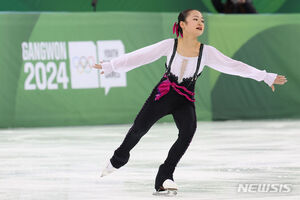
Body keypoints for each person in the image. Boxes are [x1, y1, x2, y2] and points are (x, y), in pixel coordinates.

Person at [93, 9, 287, 193]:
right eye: (195, 19)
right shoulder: (170, 45)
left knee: (188, 132)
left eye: (202, 20)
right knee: (139, 129)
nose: (200, 22)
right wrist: (111, 65)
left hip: (185, 98)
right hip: (163, 94)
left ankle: (164, 176)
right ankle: (119, 158)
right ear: (182, 24)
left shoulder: (207, 52)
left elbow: (234, 66)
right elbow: (141, 56)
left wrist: (265, 76)